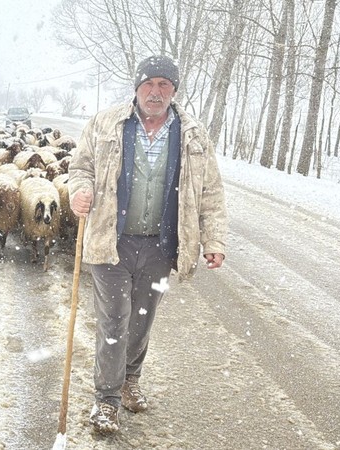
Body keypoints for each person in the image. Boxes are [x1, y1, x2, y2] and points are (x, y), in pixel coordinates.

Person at [67, 54, 227, 434]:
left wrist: (213, 239)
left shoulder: (193, 135)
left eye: (164, 85)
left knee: (142, 318)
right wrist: (80, 190)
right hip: (110, 242)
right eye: (149, 84)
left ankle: (129, 381)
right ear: (136, 87)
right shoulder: (106, 123)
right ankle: (106, 400)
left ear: (174, 91)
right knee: (114, 319)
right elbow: (80, 166)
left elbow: (211, 193)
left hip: (160, 246)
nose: (155, 92)